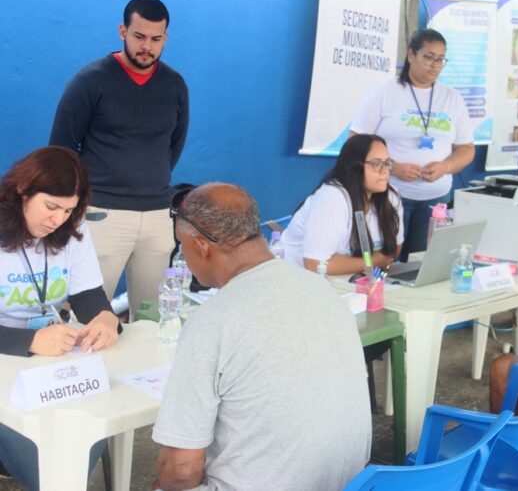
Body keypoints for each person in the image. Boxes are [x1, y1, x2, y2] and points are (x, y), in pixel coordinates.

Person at [151, 183, 371, 491]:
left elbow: (182, 469)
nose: (182, 255)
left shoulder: (212, 321)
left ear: (202, 245)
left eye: (181, 246)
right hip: (348, 483)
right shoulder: (321, 289)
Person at [49, 0, 189, 316]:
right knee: (84, 318)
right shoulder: (90, 81)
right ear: (122, 31)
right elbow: (61, 151)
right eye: (139, 36)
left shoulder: (175, 85)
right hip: (101, 215)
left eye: (156, 39)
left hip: (157, 217)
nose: (147, 46)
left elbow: (173, 146)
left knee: (152, 317)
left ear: (165, 38)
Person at [0, 146, 121, 490]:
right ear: (23, 191)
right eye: (51, 207)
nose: (58, 220)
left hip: (49, 361)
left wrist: (106, 319)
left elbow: (87, 295)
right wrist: (29, 340)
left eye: (68, 210)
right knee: (46, 470)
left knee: (84, 435)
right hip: (9, 358)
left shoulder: (71, 228)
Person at [349, 28, 474, 262]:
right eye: (429, 57)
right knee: (385, 262)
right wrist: (391, 167)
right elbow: (355, 142)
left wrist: (445, 167)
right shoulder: (384, 92)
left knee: (420, 265)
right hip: (390, 196)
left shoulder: (452, 98)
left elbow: (466, 149)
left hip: (435, 200)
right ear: (411, 55)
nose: (435, 64)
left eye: (440, 59)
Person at [282, 134, 403, 275]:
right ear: (354, 166)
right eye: (376, 164)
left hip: (350, 283)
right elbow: (315, 264)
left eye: (387, 163)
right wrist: (373, 261)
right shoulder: (332, 198)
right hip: (298, 280)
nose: (384, 171)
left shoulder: (391, 196)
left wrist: (373, 261)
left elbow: (394, 249)